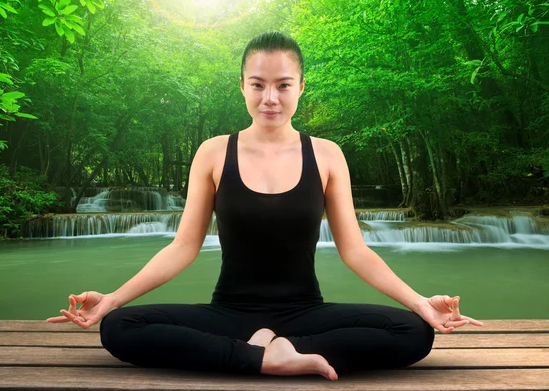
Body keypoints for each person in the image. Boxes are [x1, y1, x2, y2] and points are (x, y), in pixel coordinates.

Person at [47, 31, 483, 381]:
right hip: (230, 313)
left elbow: (356, 251)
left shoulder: (327, 155)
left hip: (307, 312)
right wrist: (112, 300)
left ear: (301, 87)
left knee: (413, 333)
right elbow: (183, 247)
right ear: (242, 86)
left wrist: (420, 302)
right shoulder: (214, 152)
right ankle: (266, 358)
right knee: (118, 328)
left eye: (282, 85)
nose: (269, 97)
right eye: (257, 84)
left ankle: (267, 352)